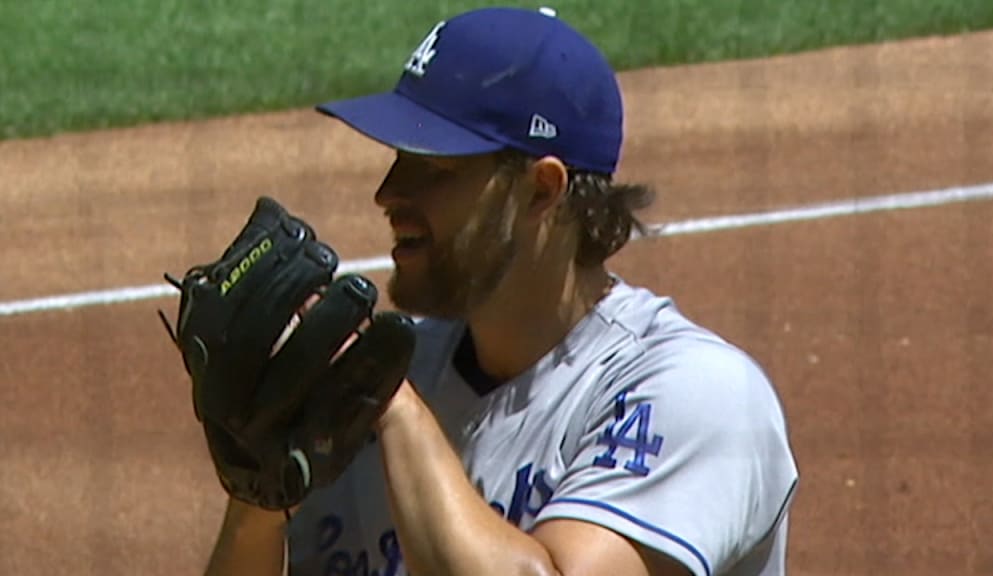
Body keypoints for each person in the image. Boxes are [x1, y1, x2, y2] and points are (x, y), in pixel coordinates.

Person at [201, 6, 799, 576]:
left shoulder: (697, 394)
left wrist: (387, 400)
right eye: (398, 155)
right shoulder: (386, 381)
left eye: (435, 167)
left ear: (542, 191)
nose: (389, 192)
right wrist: (257, 501)